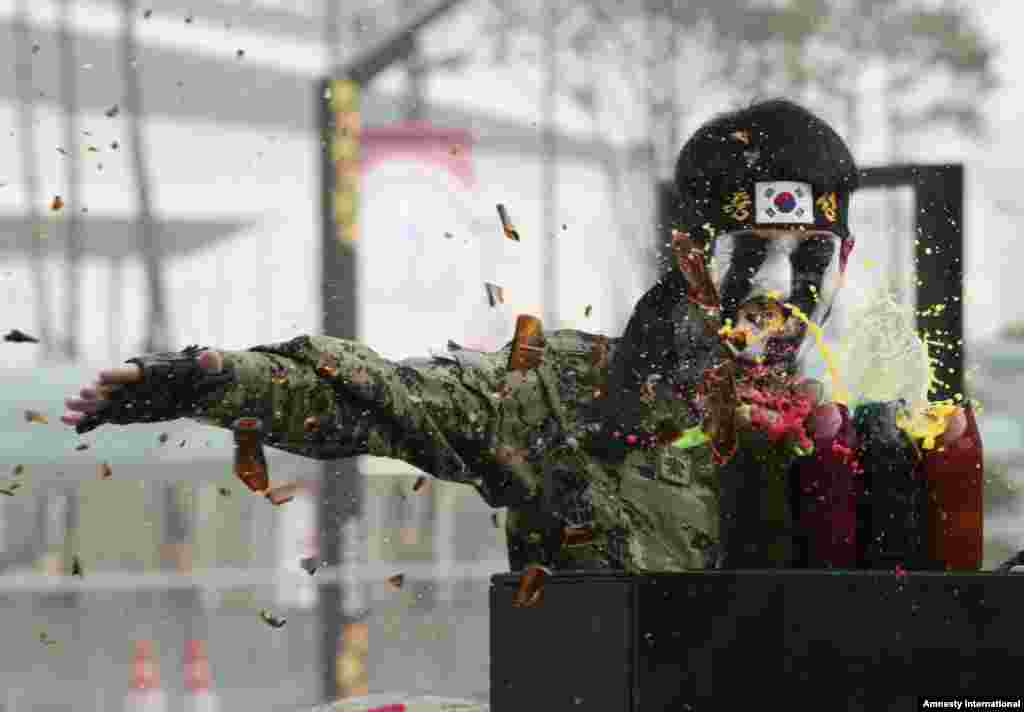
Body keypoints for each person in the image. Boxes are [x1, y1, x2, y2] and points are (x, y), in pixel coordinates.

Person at [61, 99, 967, 592]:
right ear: (691, 256)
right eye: (751, 255)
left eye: (808, 258)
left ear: (845, 259)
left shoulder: (878, 437)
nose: (777, 294)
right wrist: (205, 381)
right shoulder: (569, 399)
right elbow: (378, 396)